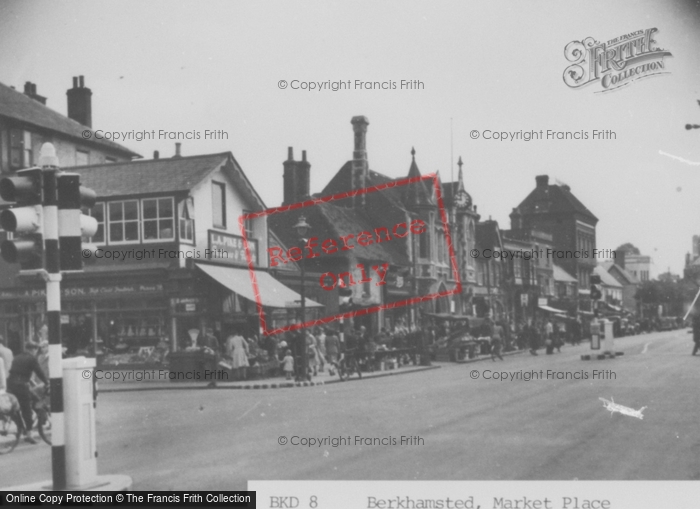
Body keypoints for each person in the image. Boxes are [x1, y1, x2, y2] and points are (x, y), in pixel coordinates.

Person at [7, 341, 48, 444]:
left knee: (15, 408)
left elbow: (19, 372)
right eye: (35, 350)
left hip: (11, 385)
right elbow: (39, 372)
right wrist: (47, 382)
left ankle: (21, 427)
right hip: (22, 386)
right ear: (33, 350)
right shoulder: (32, 358)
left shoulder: (17, 357)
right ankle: (29, 434)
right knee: (27, 409)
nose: (35, 352)